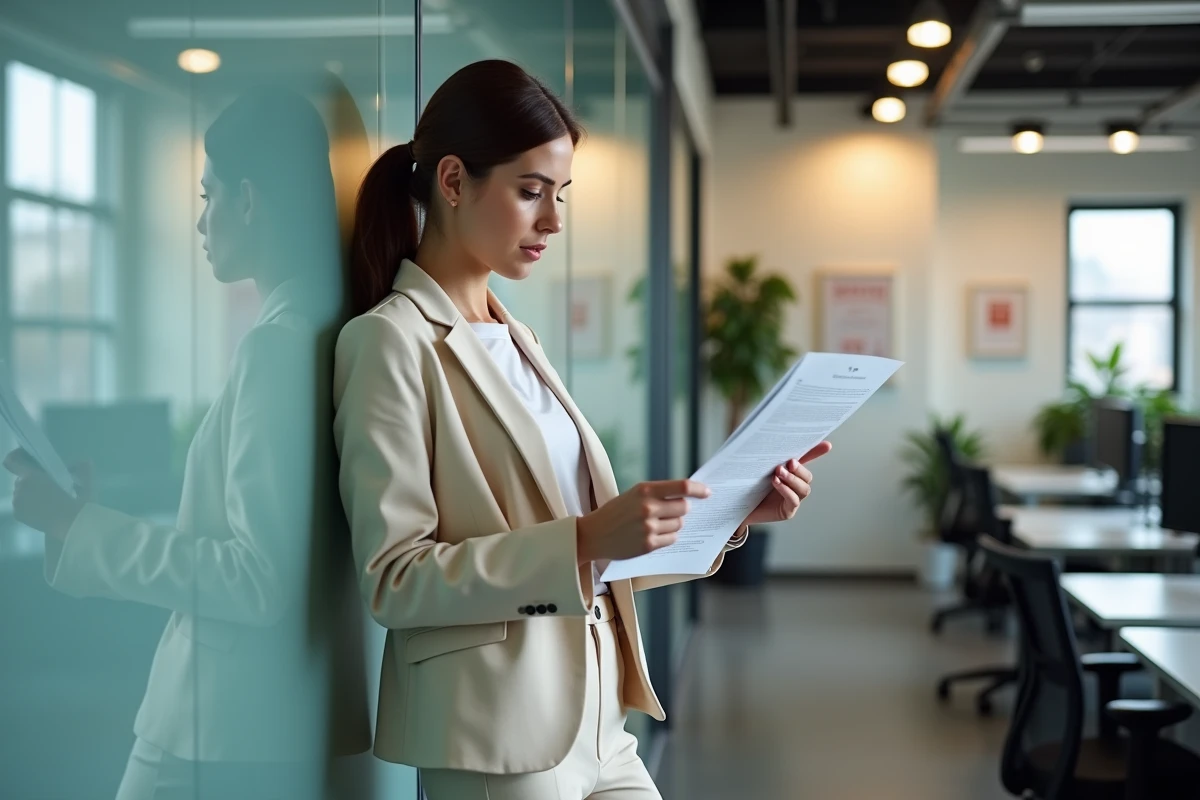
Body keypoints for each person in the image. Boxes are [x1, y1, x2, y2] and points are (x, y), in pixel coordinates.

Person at [333, 59, 831, 800]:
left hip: (600, 725)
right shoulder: (389, 343)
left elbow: (594, 561)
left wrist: (732, 513)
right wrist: (587, 539)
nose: (554, 221)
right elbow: (394, 580)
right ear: (453, 182)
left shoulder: (516, 338)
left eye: (560, 195)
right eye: (531, 192)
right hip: (499, 741)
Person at [4, 87, 371, 799]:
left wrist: (80, 528)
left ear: (249, 199)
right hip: (264, 722)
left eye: (208, 196)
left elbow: (257, 577)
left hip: (217, 724)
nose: (201, 222)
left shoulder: (278, 347)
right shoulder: (323, 330)